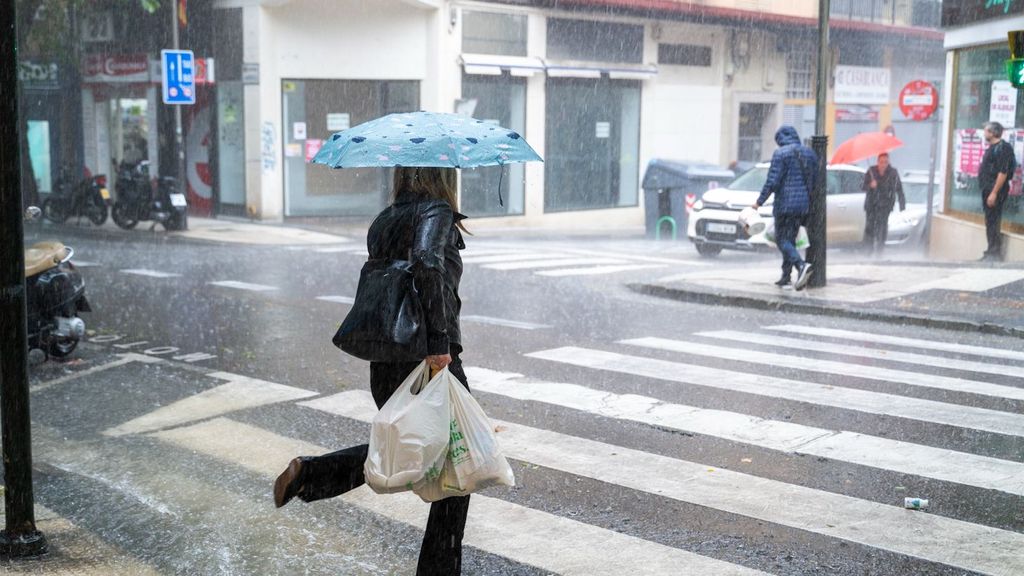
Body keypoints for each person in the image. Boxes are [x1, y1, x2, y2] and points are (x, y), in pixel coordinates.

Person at [273, 166, 471, 576]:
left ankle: (311, 474)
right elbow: (429, 265)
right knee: (456, 463)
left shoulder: (386, 218)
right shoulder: (434, 212)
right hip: (427, 358)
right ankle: (437, 571)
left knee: (417, 450)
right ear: (444, 176)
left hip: (388, 358)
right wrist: (438, 345)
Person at [752, 125, 817, 290]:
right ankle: (786, 276)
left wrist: (759, 202)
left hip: (785, 205)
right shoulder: (809, 153)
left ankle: (801, 266)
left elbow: (772, 181)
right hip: (802, 206)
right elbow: (814, 181)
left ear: (780, 139)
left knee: (782, 240)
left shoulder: (781, 154)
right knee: (790, 240)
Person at [978, 121, 1016, 262]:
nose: (984, 133)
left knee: (993, 220)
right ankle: (990, 250)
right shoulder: (992, 147)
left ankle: (994, 252)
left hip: (995, 190)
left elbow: (1003, 172)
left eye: (986, 131)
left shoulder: (1003, 148)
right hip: (987, 189)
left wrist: (994, 192)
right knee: (990, 220)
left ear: (993, 133)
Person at [861, 152, 905, 256]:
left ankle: (879, 251)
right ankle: (868, 251)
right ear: (878, 162)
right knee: (869, 228)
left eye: (885, 162)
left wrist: (902, 204)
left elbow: (899, 188)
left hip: (885, 205)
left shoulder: (893, 173)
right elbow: (862, 186)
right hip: (871, 205)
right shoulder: (871, 171)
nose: (883, 164)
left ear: (888, 162)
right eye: (881, 162)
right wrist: (870, 185)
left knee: (882, 228)